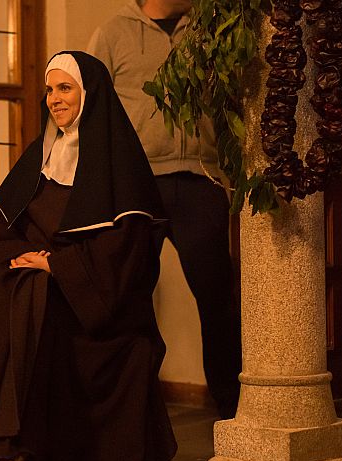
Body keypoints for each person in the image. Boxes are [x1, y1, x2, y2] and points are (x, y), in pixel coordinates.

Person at [0, 51, 177, 461]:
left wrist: (59, 266)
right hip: (45, 277)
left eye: (65, 88)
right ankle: (5, 452)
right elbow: (6, 231)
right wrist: (21, 257)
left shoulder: (119, 162)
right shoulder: (42, 156)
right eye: (49, 90)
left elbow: (128, 252)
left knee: (39, 302)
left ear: (89, 94)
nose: (53, 99)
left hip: (99, 299)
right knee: (0, 286)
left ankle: (11, 454)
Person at [88, 0, 242, 419]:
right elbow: (92, 109)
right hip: (137, 182)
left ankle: (233, 410)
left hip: (200, 179)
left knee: (218, 298)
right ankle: (127, 410)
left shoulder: (211, 30)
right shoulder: (113, 32)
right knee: (128, 298)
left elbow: (233, 103)